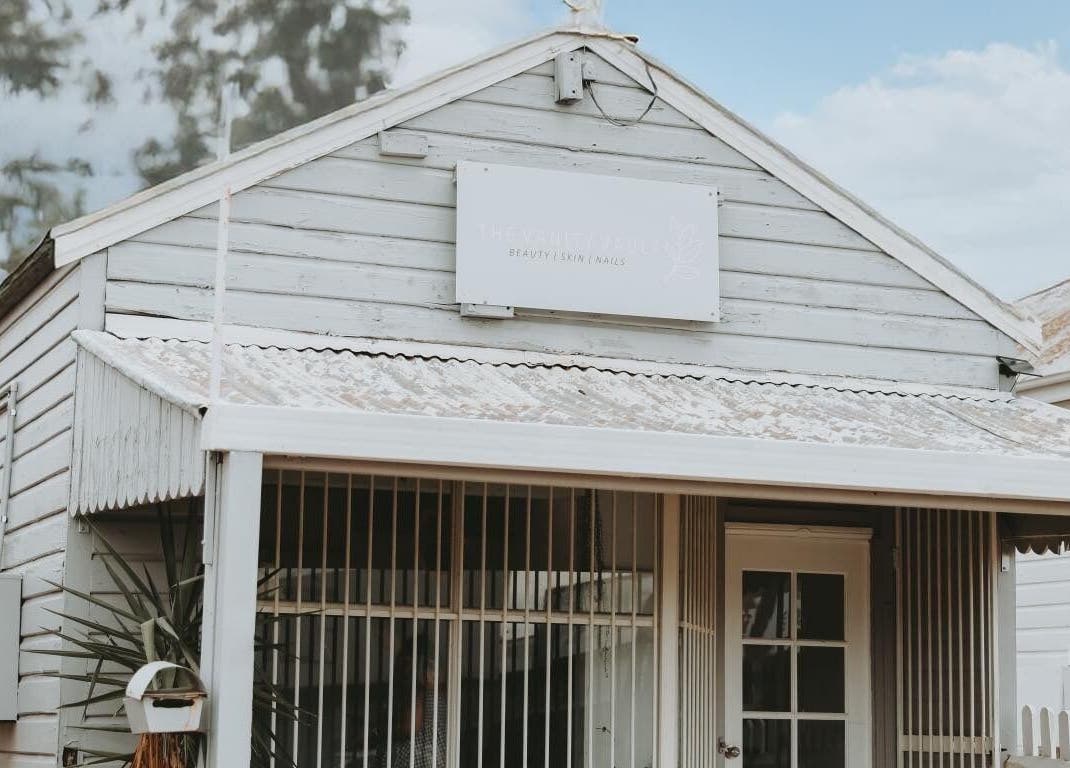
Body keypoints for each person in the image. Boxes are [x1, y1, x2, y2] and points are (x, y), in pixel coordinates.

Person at [376, 635, 447, 768]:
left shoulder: (424, 695)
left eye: (408, 664)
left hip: (422, 758)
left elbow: (409, 727)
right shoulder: (443, 694)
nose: (405, 671)